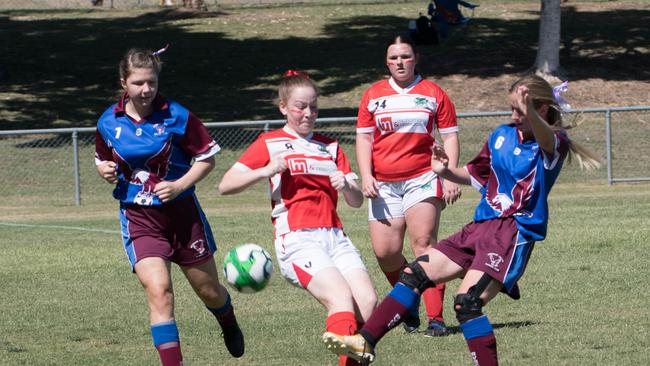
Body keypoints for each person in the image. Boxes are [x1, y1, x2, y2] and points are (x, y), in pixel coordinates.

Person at [323, 75, 602, 365]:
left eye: (519, 110)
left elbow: (546, 137)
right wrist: (444, 171)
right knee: (413, 275)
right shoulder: (501, 135)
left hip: (512, 234)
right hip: (479, 226)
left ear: (541, 110)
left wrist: (529, 107)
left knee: (466, 304)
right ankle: (364, 342)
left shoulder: (554, 144)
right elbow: (474, 174)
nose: (513, 116)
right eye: (512, 109)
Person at [95, 47, 244, 366]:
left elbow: (207, 159)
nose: (146, 89)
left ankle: (228, 321)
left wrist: (178, 185)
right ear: (124, 82)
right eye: (138, 83)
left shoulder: (177, 115)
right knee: (159, 291)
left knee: (209, 292)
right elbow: (102, 159)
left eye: (151, 82)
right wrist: (104, 170)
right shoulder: (108, 121)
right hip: (139, 218)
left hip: (183, 216)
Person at [218, 71, 378, 366]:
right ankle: (347, 347)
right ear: (283, 107)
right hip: (298, 239)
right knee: (340, 298)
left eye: (313, 107)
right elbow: (225, 185)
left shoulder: (330, 147)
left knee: (368, 306)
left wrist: (348, 185)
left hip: (335, 237)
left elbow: (355, 202)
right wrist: (264, 171)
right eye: (300, 107)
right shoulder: (271, 142)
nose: (308, 113)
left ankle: (349, 350)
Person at [355, 35, 460, 337]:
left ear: (415, 59)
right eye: (393, 58)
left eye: (405, 56)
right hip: (384, 183)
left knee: (423, 244)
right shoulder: (373, 95)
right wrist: (367, 175)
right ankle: (409, 299)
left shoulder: (433, 93)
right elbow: (363, 138)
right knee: (385, 252)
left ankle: (436, 318)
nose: (399, 62)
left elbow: (450, 136)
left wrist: (449, 174)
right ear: (386, 62)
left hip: (422, 177)